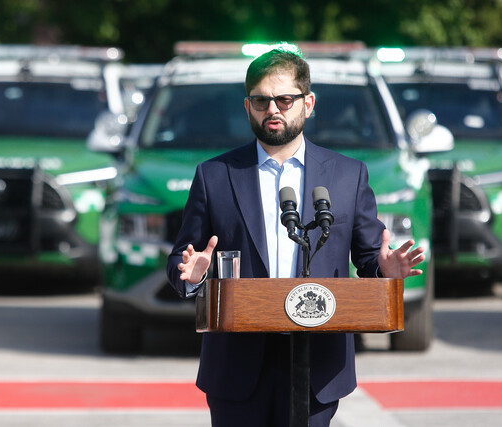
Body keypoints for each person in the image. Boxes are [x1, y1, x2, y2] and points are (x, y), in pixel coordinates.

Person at [166, 46, 425, 427]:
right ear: (247, 106)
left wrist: (385, 271)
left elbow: (370, 258)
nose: (273, 109)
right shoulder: (215, 175)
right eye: (261, 100)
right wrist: (195, 275)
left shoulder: (347, 176)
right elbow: (180, 263)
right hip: (237, 366)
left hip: (317, 362)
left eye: (284, 99)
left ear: (308, 103)